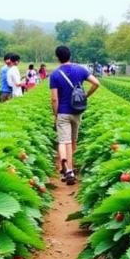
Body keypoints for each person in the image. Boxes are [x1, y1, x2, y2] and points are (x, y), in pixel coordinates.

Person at [49, 45, 100, 185]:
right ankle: (70, 168)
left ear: (57, 57)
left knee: (63, 141)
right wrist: (85, 95)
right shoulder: (81, 69)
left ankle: (66, 168)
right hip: (77, 111)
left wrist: (55, 114)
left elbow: (54, 99)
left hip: (63, 112)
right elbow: (96, 83)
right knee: (72, 141)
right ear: (70, 55)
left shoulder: (55, 74)